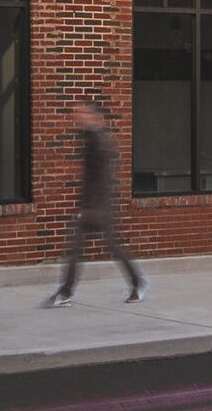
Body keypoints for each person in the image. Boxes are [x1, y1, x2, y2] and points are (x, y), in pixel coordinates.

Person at [45, 100, 145, 307]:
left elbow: (100, 178)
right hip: (94, 205)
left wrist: (90, 206)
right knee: (77, 247)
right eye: (75, 113)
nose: (76, 117)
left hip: (99, 207)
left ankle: (137, 283)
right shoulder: (90, 139)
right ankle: (66, 291)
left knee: (111, 247)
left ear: (93, 116)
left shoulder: (98, 142)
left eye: (81, 113)